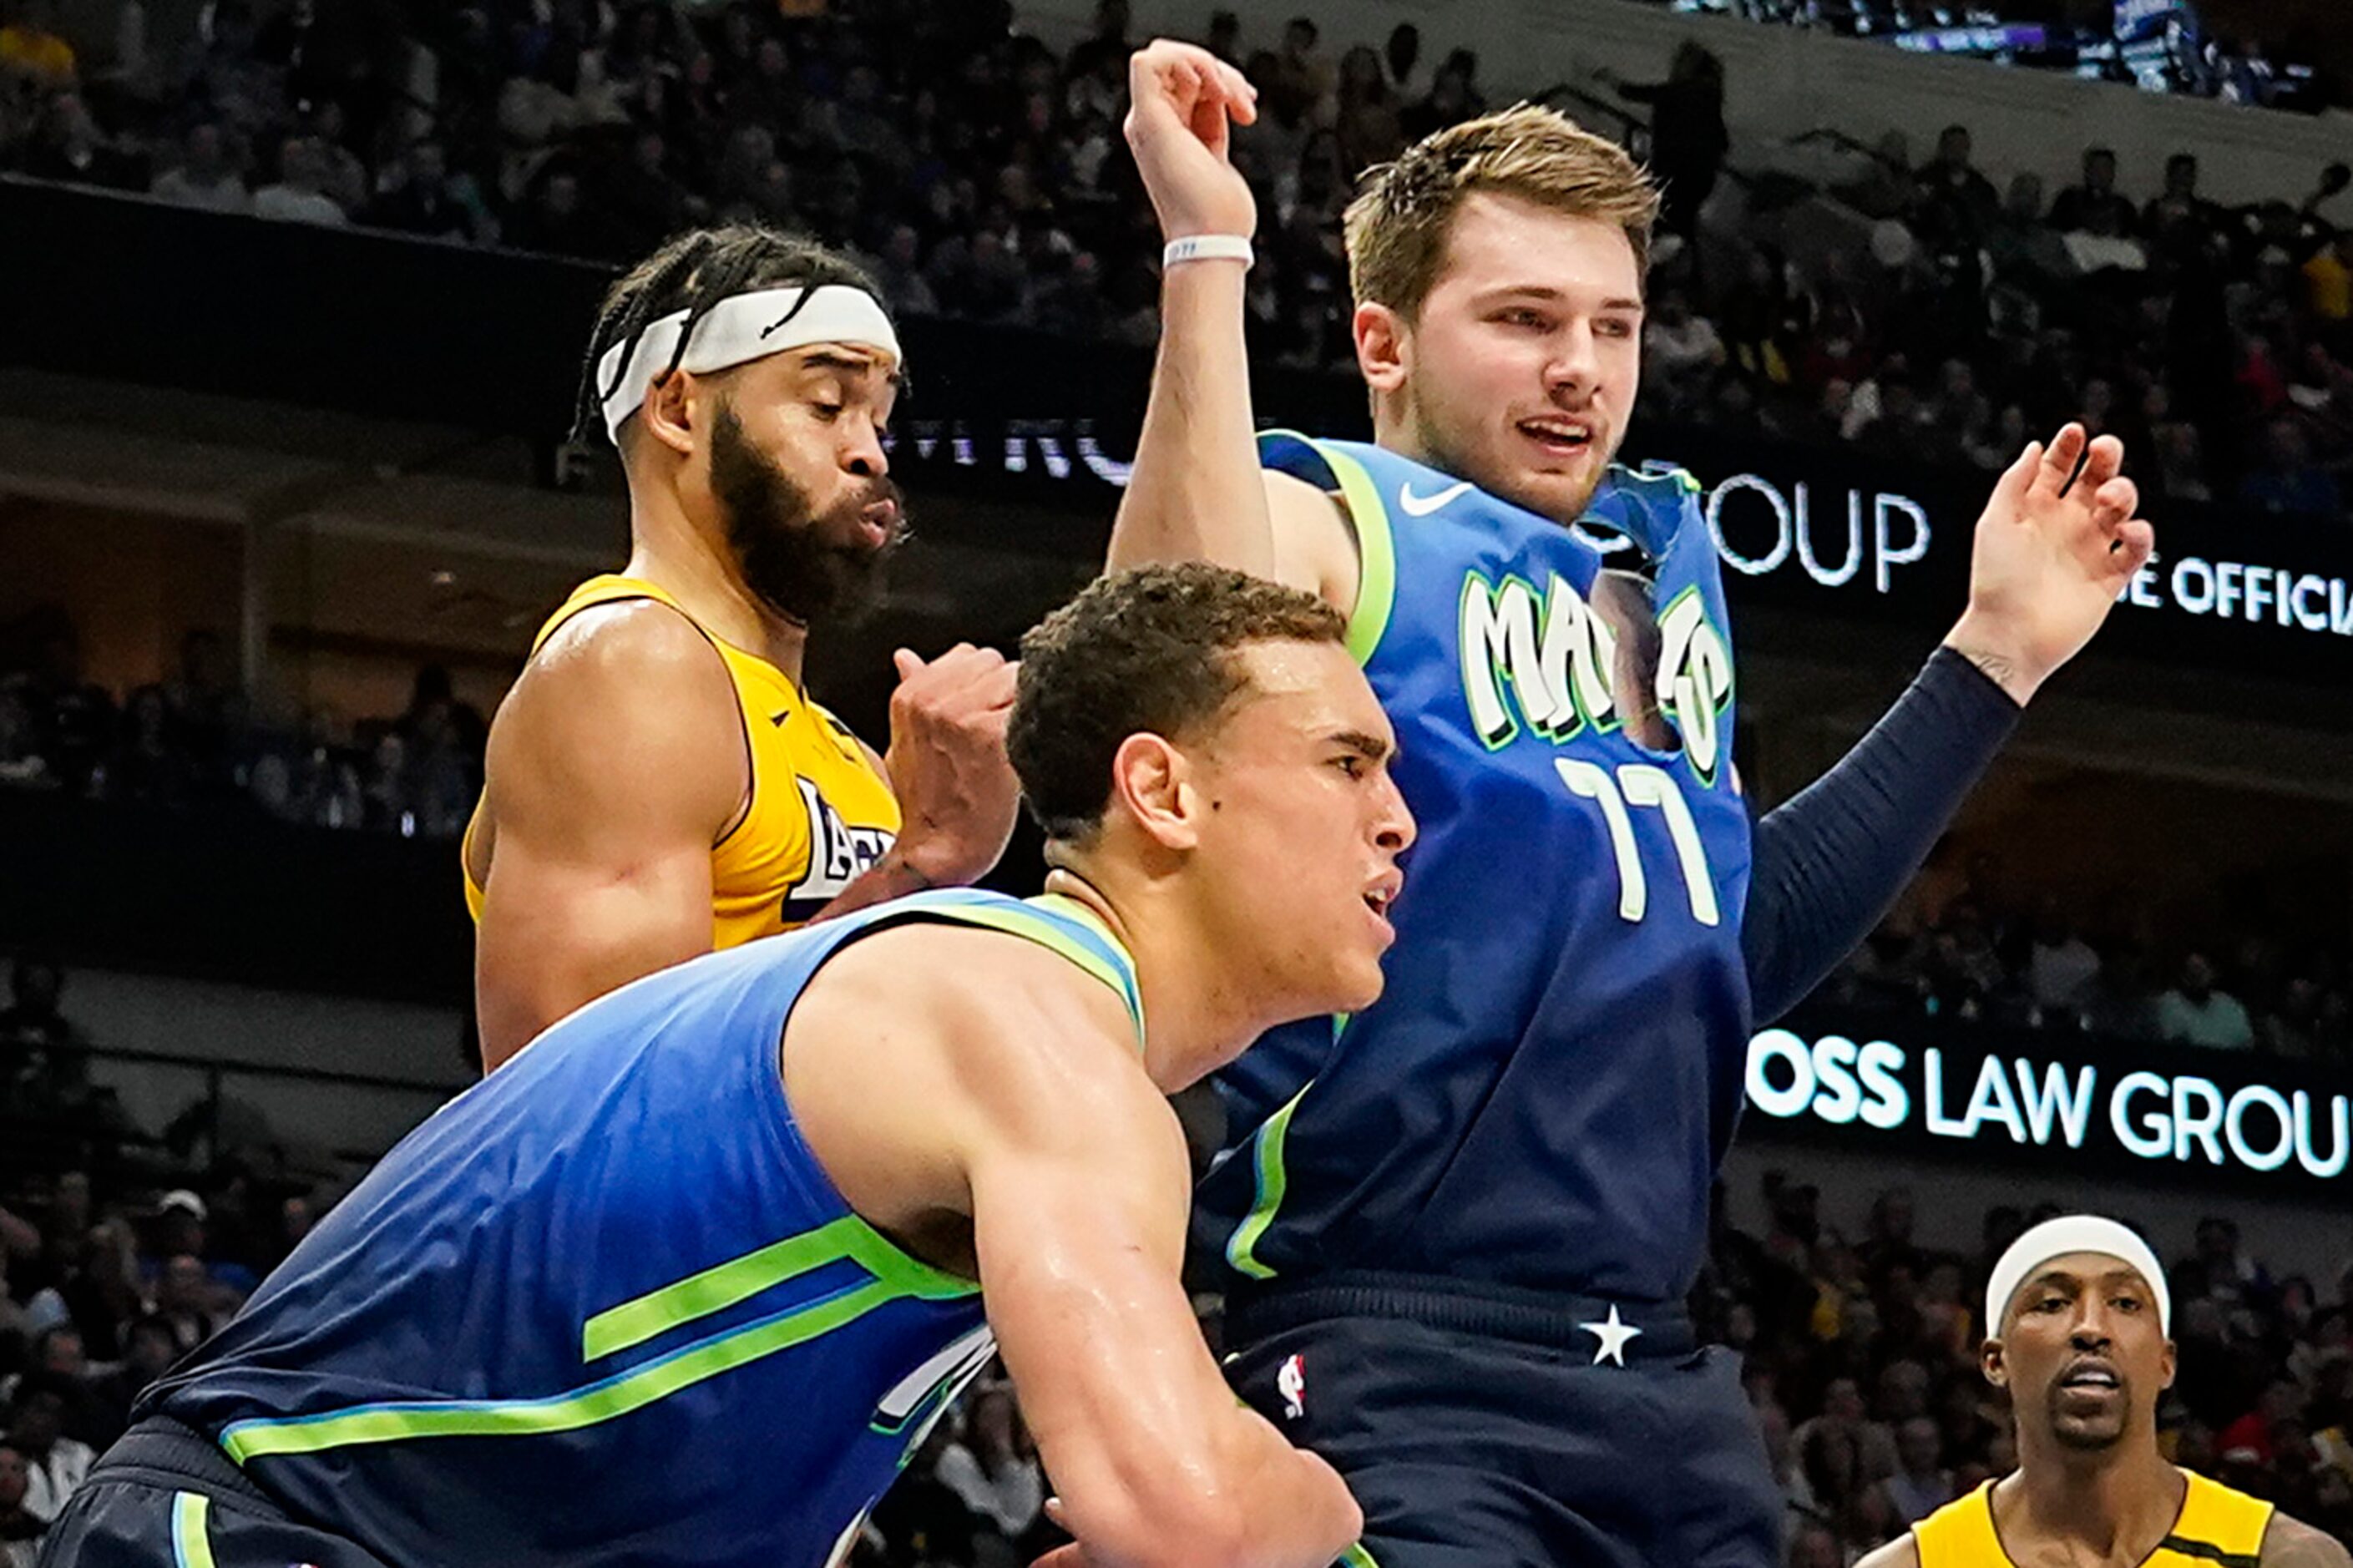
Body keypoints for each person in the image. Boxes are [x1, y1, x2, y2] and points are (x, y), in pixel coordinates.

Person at [1113, 41, 2154, 1565]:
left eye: (1612, 323)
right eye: (1522, 319)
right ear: (1383, 343)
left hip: (1656, 1373)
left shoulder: (1664, 564)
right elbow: (1164, 634)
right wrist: (1204, 253)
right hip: (1389, 1347)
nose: (1578, 367)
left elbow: (1734, 937)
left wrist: (1991, 656)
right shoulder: (1337, 517)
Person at [37, 564, 1409, 1568]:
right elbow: (1189, 1511)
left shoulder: (992, 1014)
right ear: (1160, 790)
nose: (1397, 818)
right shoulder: (1031, 1016)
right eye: (1347, 761)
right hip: (265, 1527)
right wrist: (1327, 1503)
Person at [463, 226, 1022, 1068]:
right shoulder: (629, 663)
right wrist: (916, 866)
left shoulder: (853, 761)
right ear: (679, 410)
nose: (869, 450)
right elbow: (586, 1103)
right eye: (827, 405)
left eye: (879, 416)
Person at [1861, 1215, 2351, 1568]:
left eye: (2124, 1302)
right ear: (1995, 1361)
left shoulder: (2283, 1557)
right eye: (2052, 1303)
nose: (2091, 1328)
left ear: (2165, 1362)